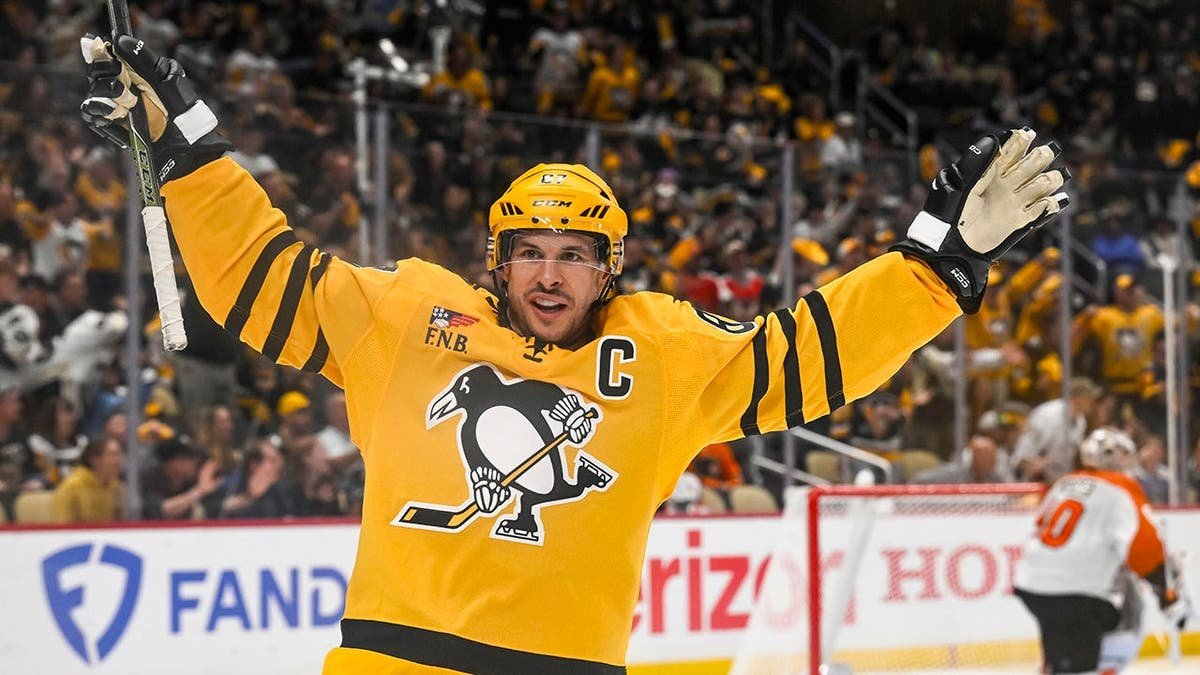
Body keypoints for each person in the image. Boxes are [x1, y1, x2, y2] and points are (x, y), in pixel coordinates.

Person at [80, 35, 1069, 674]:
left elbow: (812, 354)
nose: (549, 278)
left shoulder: (667, 348)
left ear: (610, 270)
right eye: (530, 255)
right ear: (496, 260)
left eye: (574, 258)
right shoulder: (407, 314)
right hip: (393, 661)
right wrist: (191, 153)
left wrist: (938, 263)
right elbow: (262, 277)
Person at [1013, 428, 1192, 674]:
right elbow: (1144, 546)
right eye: (1123, 456)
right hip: (1074, 592)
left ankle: (1057, 664)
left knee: (1100, 622)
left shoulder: (1065, 482)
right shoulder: (1120, 487)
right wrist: (1166, 590)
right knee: (1120, 621)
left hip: (1030, 584)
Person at [1012, 377, 1103, 484]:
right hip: (1034, 481)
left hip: (1058, 480)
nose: (1093, 403)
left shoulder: (1080, 420)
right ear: (1078, 399)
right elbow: (1024, 452)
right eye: (1090, 398)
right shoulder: (1047, 414)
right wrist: (1031, 463)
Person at [51, 437, 124, 523]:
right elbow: (61, 527)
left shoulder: (116, 487)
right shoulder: (71, 487)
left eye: (119, 454)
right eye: (112, 455)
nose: (118, 460)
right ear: (94, 460)